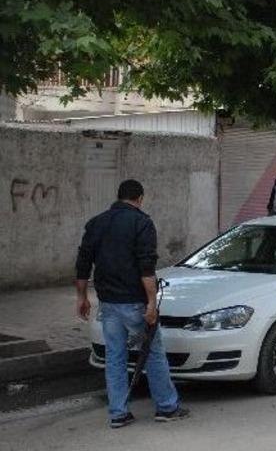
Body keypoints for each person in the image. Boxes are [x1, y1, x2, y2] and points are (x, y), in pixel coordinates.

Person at [75, 179, 189, 428]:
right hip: (134, 302)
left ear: (119, 197)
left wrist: (82, 297)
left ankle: (118, 413)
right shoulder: (142, 223)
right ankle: (167, 407)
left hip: (108, 303)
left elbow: (83, 263)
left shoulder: (97, 223)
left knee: (115, 356)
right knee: (153, 354)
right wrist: (151, 303)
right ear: (139, 198)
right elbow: (146, 267)